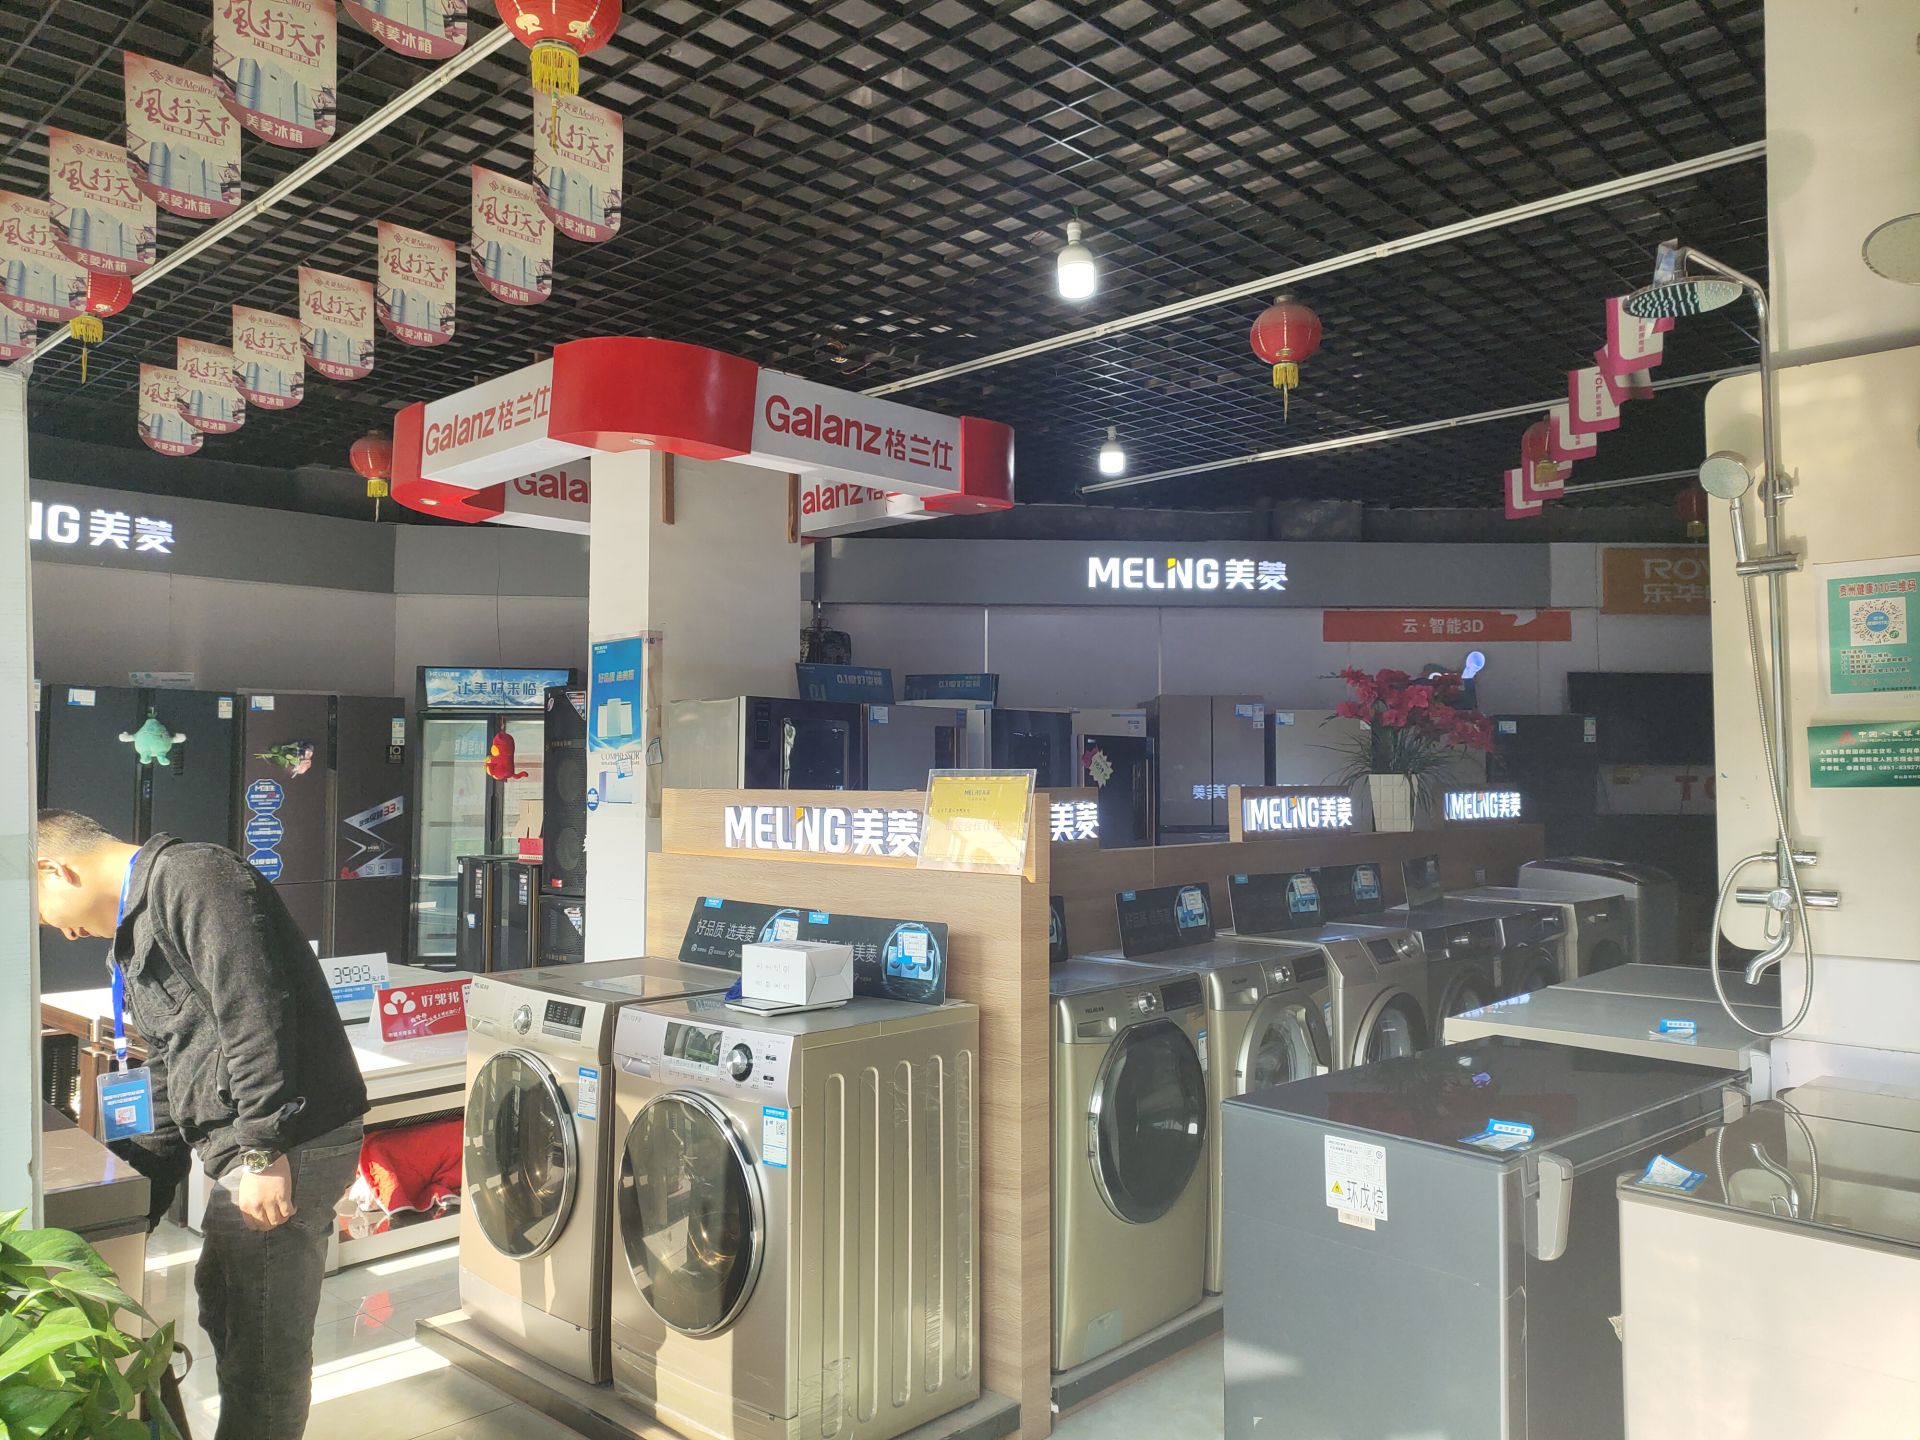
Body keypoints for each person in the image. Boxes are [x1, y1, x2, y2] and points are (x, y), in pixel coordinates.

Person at [35, 810, 369, 1440]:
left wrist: (262, 1151)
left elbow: (255, 1010)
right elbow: (167, 1064)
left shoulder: (194, 877)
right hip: (250, 1143)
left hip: (288, 1140)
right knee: (226, 1305)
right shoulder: (134, 933)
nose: (60, 931)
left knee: (261, 1349)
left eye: (42, 912)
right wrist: (138, 1199)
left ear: (54, 869)